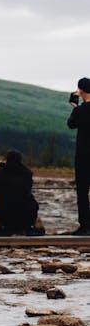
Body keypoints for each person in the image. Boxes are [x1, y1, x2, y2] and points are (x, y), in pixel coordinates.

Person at [0, 150, 40, 234]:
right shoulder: (27, 174)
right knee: (28, 195)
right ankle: (31, 226)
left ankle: (3, 225)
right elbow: (28, 187)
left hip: (6, 218)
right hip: (27, 219)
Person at [67, 77, 90, 233]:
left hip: (83, 155)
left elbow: (71, 124)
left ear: (81, 91)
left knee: (82, 191)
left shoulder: (80, 110)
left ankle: (85, 225)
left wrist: (74, 106)